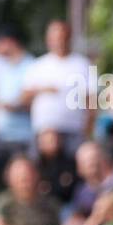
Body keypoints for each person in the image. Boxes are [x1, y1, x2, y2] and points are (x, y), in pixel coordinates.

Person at [21, 20, 91, 152]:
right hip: (44, 132)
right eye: (55, 38)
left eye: (62, 37)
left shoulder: (83, 64)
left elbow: (91, 101)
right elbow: (23, 97)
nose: (59, 42)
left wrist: (87, 130)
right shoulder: (38, 66)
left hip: (74, 131)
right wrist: (41, 90)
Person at [0, 155, 62, 225]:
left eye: (27, 178)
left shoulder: (50, 203)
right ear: (9, 179)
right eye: (19, 178)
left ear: (36, 175)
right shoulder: (2, 201)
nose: (24, 183)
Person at [0, 27, 35, 153]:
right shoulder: (0, 65)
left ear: (10, 42)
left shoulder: (31, 65)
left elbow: (30, 97)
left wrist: (14, 105)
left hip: (23, 136)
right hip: (0, 135)